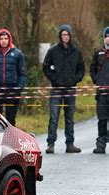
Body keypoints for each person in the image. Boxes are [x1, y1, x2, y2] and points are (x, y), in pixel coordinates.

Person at [43, 24, 85, 154]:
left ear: (70, 36)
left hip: (70, 89)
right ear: (60, 36)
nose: (65, 37)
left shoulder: (76, 52)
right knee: (54, 117)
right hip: (56, 89)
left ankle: (70, 143)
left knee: (70, 117)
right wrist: (54, 79)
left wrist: (74, 80)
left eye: (67, 34)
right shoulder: (53, 51)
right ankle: (50, 144)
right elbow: (45, 67)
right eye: (63, 34)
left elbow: (81, 69)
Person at [0, 28, 27, 126]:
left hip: (12, 91)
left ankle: (11, 139)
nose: (3, 41)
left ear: (9, 39)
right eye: (1, 38)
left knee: (11, 119)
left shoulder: (18, 54)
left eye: (6, 38)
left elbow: (23, 73)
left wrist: (18, 89)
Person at [89, 26, 109, 154]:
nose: (108, 39)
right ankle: (101, 143)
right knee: (102, 119)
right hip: (101, 93)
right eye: (107, 36)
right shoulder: (98, 53)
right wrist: (97, 80)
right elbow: (92, 69)